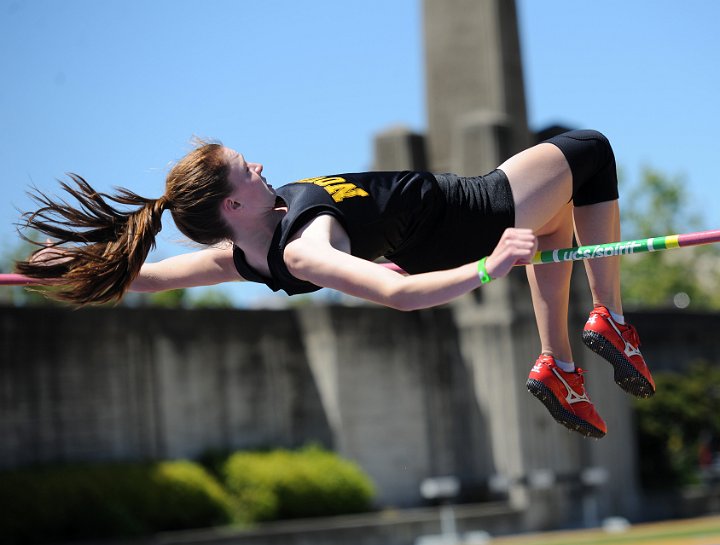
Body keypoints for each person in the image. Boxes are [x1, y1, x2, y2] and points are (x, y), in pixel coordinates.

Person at [17, 129, 655, 438]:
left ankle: (563, 362)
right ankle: (609, 322)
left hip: (445, 225)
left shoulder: (245, 253)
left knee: (560, 224)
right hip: (471, 213)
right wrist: (490, 265)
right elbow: (402, 296)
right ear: (232, 207)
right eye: (246, 170)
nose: (261, 165)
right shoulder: (305, 250)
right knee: (591, 151)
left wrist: (73, 263)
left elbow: (146, 278)